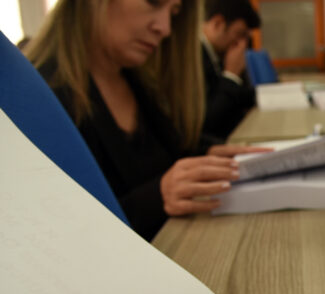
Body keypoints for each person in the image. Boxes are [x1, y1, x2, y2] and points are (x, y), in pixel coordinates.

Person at [26, 0, 265, 241]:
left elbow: (164, 153)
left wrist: (207, 152)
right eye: (153, 2)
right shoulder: (39, 97)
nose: (165, 28)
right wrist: (158, 196)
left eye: (173, 13)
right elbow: (58, 233)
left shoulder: (137, 81)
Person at [201, 0, 261, 140]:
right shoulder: (195, 57)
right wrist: (231, 75)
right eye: (239, 34)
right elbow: (209, 122)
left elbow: (243, 98)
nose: (241, 45)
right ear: (217, 24)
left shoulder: (218, 54)